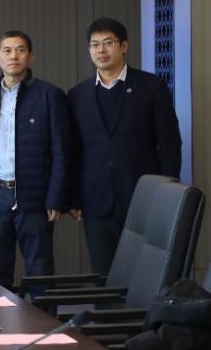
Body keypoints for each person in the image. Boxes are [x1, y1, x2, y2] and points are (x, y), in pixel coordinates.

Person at [68, 17, 182, 276]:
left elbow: (169, 143)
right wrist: (74, 197)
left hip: (144, 197)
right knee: (104, 276)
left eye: (108, 43)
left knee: (144, 275)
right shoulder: (77, 95)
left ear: (124, 46)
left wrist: (168, 192)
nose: (101, 50)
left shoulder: (151, 86)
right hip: (96, 200)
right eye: (95, 44)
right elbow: (74, 151)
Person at [0, 31, 70, 288]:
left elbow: (61, 151)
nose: (13, 56)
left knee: (40, 270)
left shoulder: (50, 95)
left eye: (20, 50)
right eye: (7, 51)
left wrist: (56, 197)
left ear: (30, 56)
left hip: (34, 197)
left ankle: (43, 316)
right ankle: (0, 316)